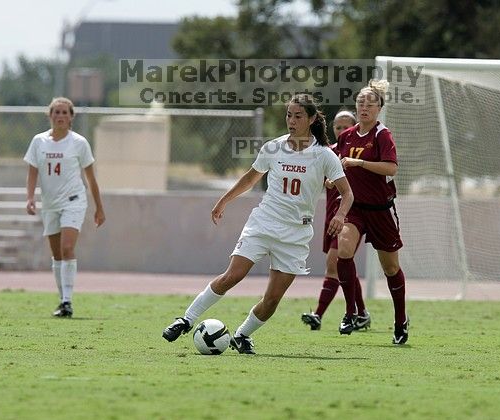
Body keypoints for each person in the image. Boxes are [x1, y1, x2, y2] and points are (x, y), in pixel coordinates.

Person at [162, 94, 353, 354]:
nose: (291, 120)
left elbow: (347, 192)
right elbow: (251, 178)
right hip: (264, 222)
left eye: (298, 116)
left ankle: (241, 336)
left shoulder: (323, 156)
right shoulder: (273, 148)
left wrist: (340, 215)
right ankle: (185, 319)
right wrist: (223, 201)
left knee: (273, 299)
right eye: (289, 115)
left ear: (311, 119)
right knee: (233, 276)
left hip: (296, 234)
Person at [331, 80, 409, 344]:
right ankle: (351, 311)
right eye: (361, 102)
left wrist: (359, 162)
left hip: (380, 210)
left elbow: (391, 169)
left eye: (370, 103)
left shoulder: (381, 135)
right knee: (343, 250)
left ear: (379, 109)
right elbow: (337, 166)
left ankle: (400, 320)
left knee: (391, 268)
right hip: (354, 208)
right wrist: (333, 178)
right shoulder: (346, 136)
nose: (364, 107)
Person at [24, 97, 106, 318]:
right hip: (50, 204)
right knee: (57, 254)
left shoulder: (79, 142)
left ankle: (68, 300)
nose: (60, 116)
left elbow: (91, 178)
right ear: (50, 115)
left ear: (71, 117)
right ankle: (63, 301)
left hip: (74, 201)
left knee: (67, 248)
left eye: (64, 112)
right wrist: (30, 197)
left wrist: (99, 207)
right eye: (56, 112)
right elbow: (33, 171)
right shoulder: (38, 141)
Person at [301, 110, 370, 331]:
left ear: (353, 128)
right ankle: (362, 313)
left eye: (345, 127)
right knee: (342, 265)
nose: (340, 131)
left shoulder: (355, 155)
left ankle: (319, 315)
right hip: (331, 217)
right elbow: (315, 179)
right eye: (337, 127)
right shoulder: (327, 152)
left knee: (335, 262)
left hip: (349, 218)